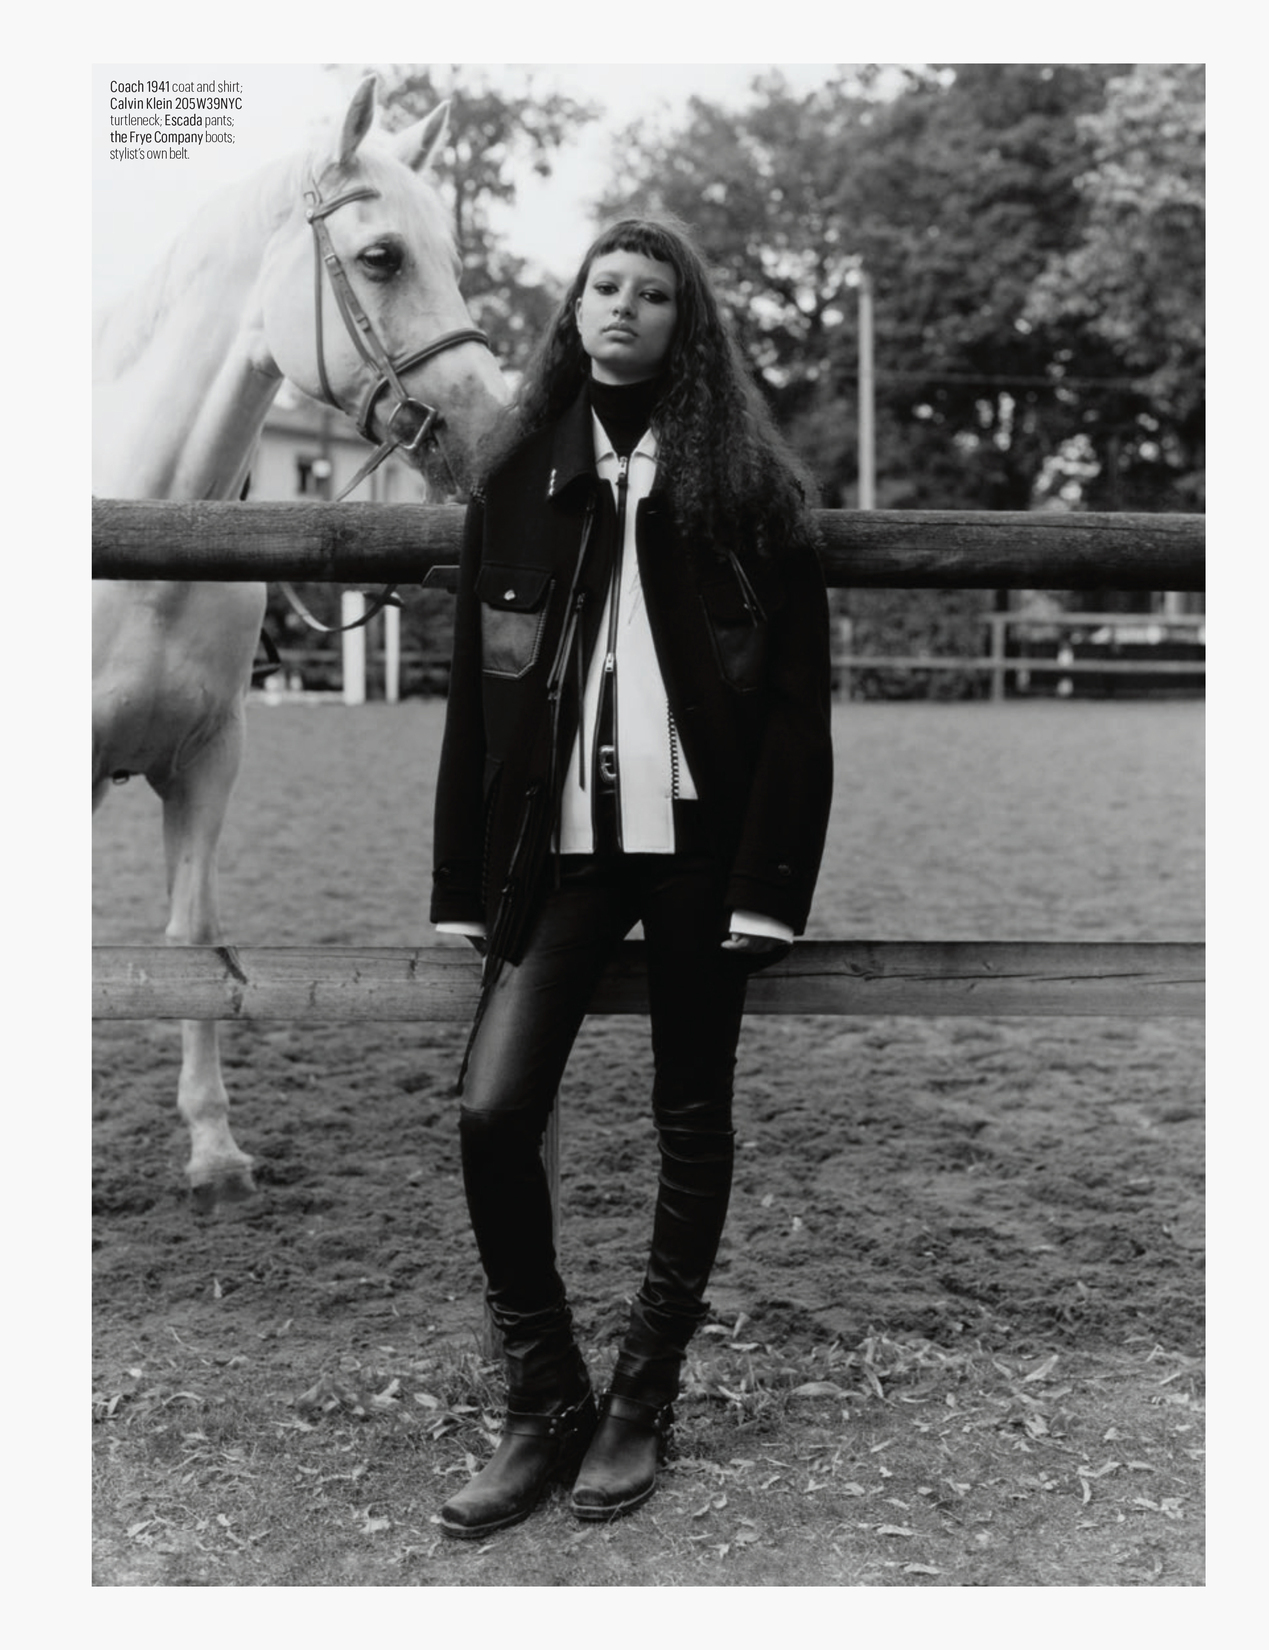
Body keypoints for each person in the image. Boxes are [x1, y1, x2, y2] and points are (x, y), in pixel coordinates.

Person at [430, 216, 833, 1538]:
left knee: (690, 1119)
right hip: (558, 856)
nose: (624, 305)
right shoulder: (514, 477)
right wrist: (460, 881)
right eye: (603, 285)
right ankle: (543, 1394)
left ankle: (639, 1399)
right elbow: (473, 698)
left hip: (705, 857)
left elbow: (796, 705)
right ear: (574, 311)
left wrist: (770, 885)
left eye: (653, 293)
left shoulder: (747, 492)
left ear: (683, 323)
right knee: (493, 1110)